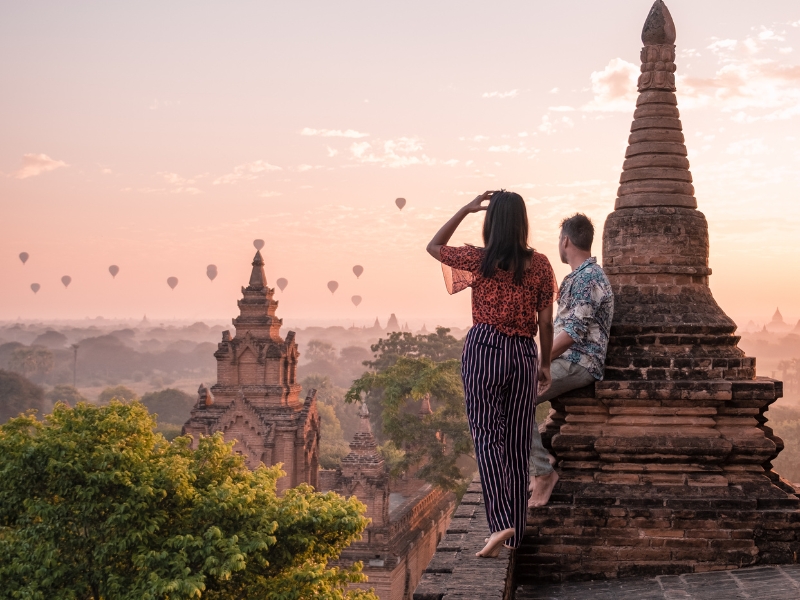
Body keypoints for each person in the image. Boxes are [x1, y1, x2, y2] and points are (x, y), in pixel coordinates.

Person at [427, 190, 557, 557]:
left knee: (487, 438)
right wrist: (544, 363)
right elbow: (545, 322)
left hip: (484, 348)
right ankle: (514, 533)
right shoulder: (542, 265)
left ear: (490, 222)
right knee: (517, 445)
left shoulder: (479, 260)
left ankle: (500, 525)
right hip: (521, 353)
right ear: (523, 222)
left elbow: (434, 246)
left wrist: (465, 209)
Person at [528, 213, 614, 508]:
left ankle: (542, 473)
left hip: (579, 361)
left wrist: (540, 361)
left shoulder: (588, 278)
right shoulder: (581, 277)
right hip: (569, 358)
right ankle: (543, 461)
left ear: (565, 240)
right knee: (508, 390)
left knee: (513, 397)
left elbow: (573, 333)